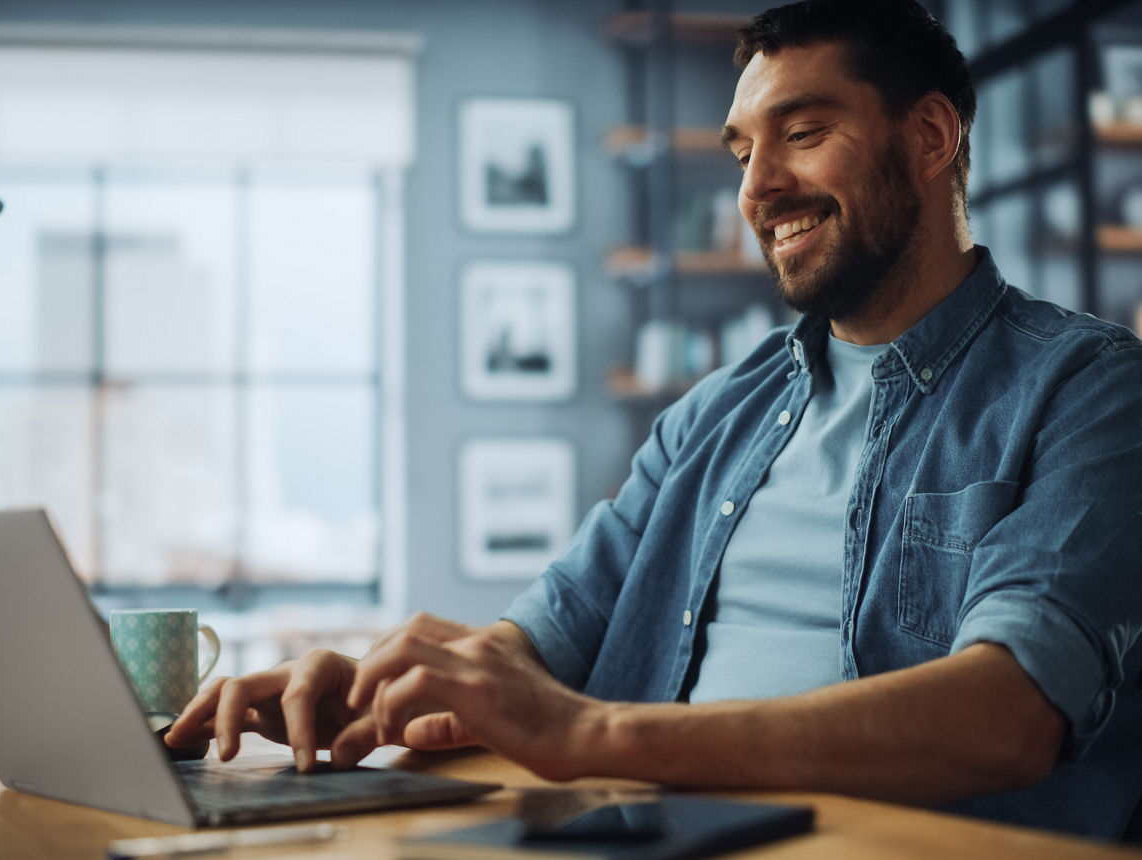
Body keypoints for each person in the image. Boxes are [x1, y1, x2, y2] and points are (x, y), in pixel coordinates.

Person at [166, 0, 1142, 840]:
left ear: (930, 139)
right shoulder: (712, 415)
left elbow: (1008, 711)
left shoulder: (1092, 389)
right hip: (655, 835)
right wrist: (386, 689)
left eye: (801, 134)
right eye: (743, 150)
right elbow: (542, 642)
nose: (757, 191)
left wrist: (590, 736)